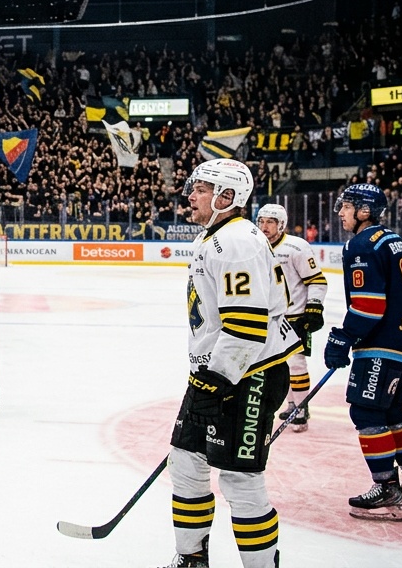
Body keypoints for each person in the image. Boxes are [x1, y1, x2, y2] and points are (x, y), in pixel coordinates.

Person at [158, 159, 301, 568]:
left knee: (240, 479)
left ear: (226, 197)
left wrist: (217, 379)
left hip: (247, 376)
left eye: (201, 189)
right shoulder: (217, 236)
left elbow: (246, 326)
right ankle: (191, 558)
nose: (191, 195)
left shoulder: (236, 241)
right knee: (185, 463)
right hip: (216, 375)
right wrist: (208, 378)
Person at [325, 183, 402, 521]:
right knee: (392, 413)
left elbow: (370, 306)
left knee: (366, 412)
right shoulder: (391, 239)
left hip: (383, 343)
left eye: (346, 207)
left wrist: (344, 336)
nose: (341, 213)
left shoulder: (361, 244)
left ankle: (386, 485)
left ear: (364, 211)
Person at [255, 203, 328, 432]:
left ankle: (302, 408)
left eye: (270, 222)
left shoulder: (296, 247)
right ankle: (291, 403)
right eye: (261, 221)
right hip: (270, 318)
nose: (264, 227)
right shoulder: (255, 246)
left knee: (296, 364)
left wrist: (314, 308)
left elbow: (316, 280)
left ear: (281, 224)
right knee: (278, 364)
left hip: (295, 317)